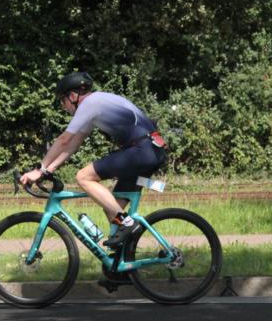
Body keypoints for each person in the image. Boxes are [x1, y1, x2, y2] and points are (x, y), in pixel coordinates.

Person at [19, 71, 167, 250]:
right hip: (148, 150)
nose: (63, 106)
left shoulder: (90, 103)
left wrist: (39, 170)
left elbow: (63, 140)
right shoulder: (95, 107)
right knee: (112, 208)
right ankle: (121, 268)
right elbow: (72, 144)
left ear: (73, 96)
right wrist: (49, 169)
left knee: (83, 177)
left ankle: (128, 224)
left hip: (141, 151)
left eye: (62, 100)